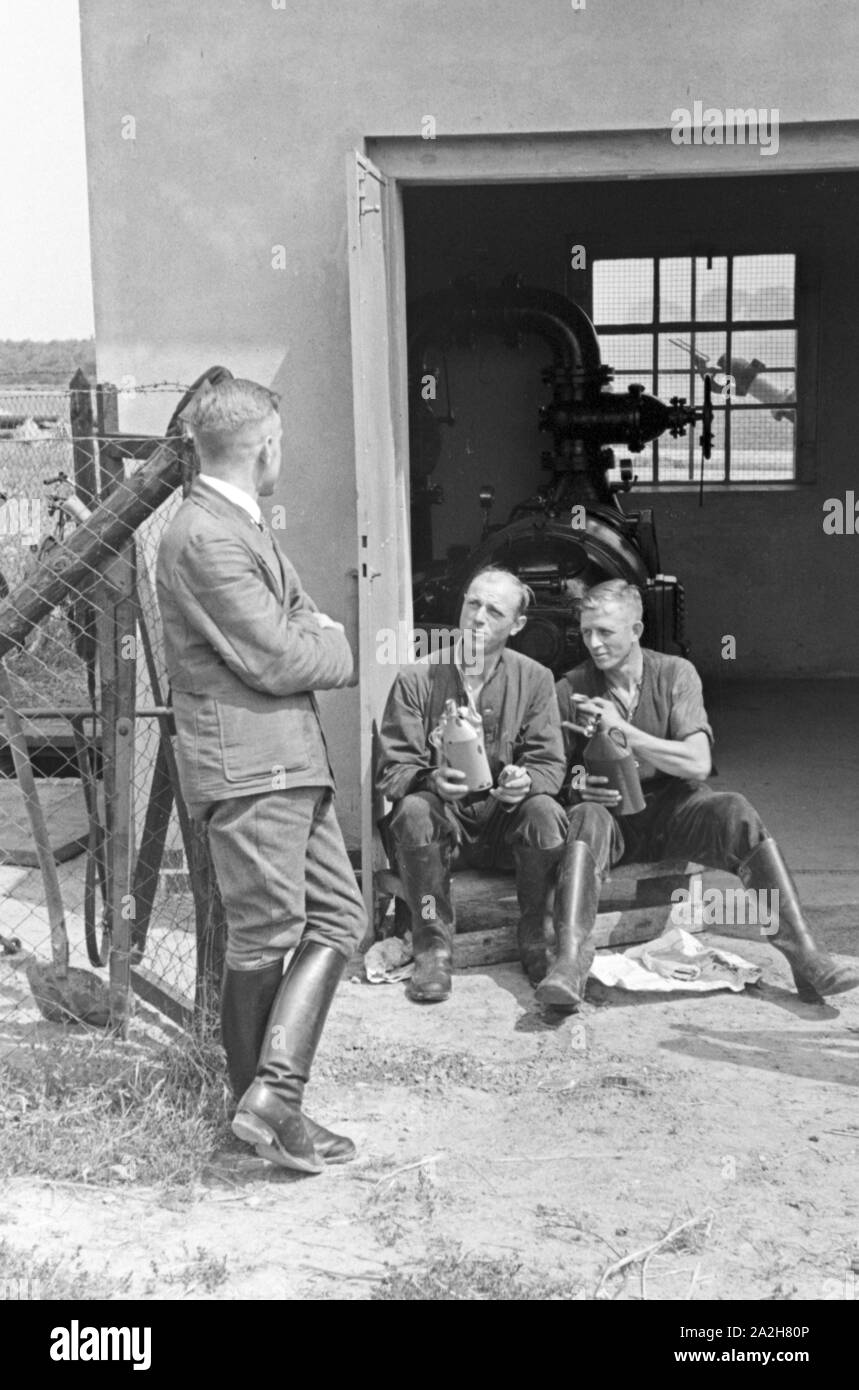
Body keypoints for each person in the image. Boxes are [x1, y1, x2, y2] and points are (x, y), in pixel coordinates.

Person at [155, 377, 366, 1173]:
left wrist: (306, 631)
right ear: (264, 444)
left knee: (338, 918)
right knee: (265, 934)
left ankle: (271, 1103)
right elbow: (282, 653)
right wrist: (332, 644)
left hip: (285, 763)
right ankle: (263, 1109)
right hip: (251, 768)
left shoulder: (238, 524)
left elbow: (292, 629)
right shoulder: (205, 535)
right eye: (282, 440)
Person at [543, 577, 859, 1012]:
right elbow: (553, 770)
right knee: (584, 818)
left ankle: (805, 956)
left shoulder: (675, 674)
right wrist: (577, 782)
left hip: (672, 808)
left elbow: (696, 762)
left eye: (606, 632)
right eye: (586, 633)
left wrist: (625, 731)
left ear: (636, 630)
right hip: (608, 819)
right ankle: (569, 965)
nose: (594, 644)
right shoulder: (570, 688)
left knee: (736, 811)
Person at [375, 567, 568, 1001]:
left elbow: (551, 765)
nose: (478, 617)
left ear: (517, 625)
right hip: (445, 830)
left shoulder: (535, 679)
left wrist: (525, 780)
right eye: (473, 603)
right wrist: (431, 779)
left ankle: (537, 937)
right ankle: (432, 948)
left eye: (494, 611)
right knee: (414, 810)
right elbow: (392, 772)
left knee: (545, 813)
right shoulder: (418, 678)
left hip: (504, 827)